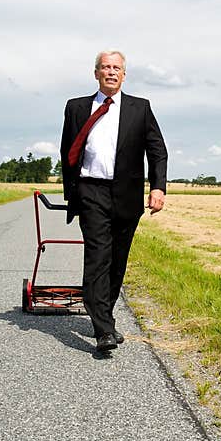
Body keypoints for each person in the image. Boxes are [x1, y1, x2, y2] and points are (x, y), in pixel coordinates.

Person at [60, 50, 167, 353]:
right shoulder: (76, 107)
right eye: (105, 67)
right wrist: (74, 192)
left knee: (117, 261)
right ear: (96, 73)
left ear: (124, 74)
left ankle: (104, 314)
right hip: (91, 191)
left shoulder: (140, 109)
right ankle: (104, 329)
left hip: (126, 195)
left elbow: (157, 151)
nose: (110, 72)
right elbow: (67, 150)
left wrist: (158, 188)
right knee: (97, 257)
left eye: (116, 68)